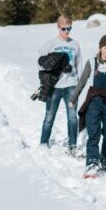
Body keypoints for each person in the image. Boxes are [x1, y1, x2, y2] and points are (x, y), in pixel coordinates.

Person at [69, 35, 106, 177]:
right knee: (94, 133)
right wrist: (74, 97)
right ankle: (92, 162)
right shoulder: (92, 62)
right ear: (100, 47)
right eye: (105, 47)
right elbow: (82, 81)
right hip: (94, 102)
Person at [37, 15, 82, 154]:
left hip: (71, 85)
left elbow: (79, 64)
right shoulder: (50, 44)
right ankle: (43, 143)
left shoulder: (75, 44)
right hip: (55, 87)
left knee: (72, 117)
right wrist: (52, 70)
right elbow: (41, 63)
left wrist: (79, 86)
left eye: (69, 28)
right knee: (49, 116)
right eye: (64, 29)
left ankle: (72, 145)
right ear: (58, 27)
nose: (67, 31)